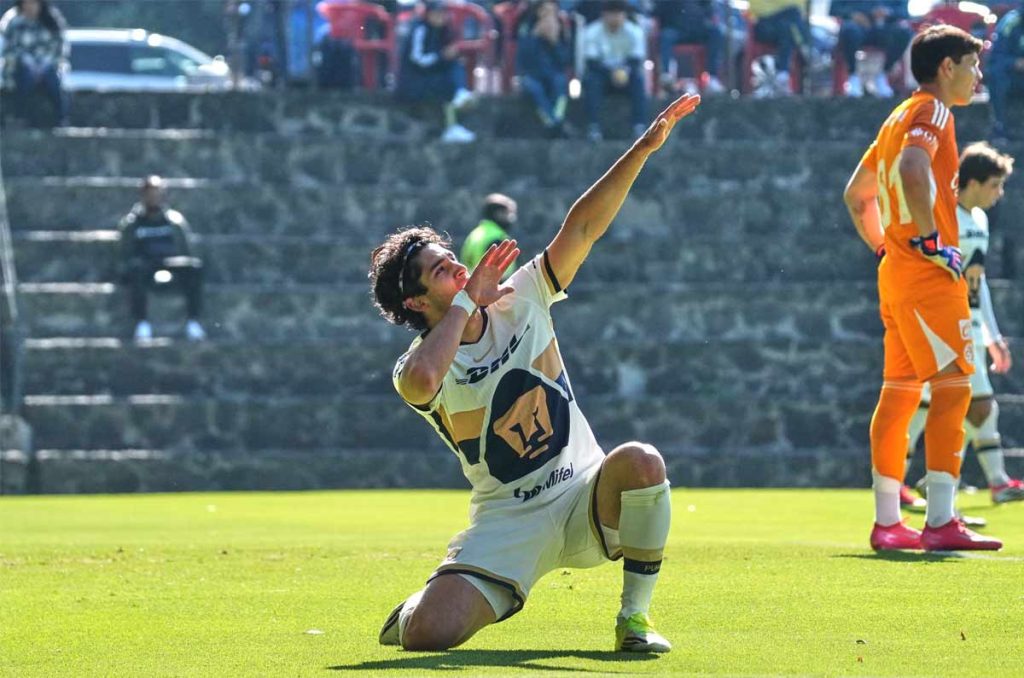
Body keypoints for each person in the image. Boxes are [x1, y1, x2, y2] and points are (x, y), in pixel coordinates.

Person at [368, 93, 701, 652]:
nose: (456, 266)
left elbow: (583, 228)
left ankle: (634, 620)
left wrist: (642, 150)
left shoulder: (519, 297)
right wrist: (466, 304)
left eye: (449, 257)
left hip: (584, 493)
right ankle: (415, 609)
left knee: (642, 461)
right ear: (418, 303)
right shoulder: (418, 364)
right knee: (426, 638)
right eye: (440, 271)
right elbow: (422, 384)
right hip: (508, 520)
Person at [842, 25, 1002, 551]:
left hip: (896, 274)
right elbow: (913, 168)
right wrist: (930, 242)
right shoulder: (934, 110)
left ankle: (889, 522)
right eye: (972, 65)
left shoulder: (896, 117)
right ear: (947, 67)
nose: (978, 75)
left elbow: (857, 195)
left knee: (900, 393)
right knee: (954, 388)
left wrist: (885, 247)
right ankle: (939, 520)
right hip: (928, 275)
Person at [902, 143, 1023, 507]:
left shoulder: (979, 220)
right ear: (972, 183)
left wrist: (992, 335)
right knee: (975, 405)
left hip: (969, 325)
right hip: (944, 325)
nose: (999, 193)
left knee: (932, 406)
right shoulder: (943, 217)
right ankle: (968, 483)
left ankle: (911, 481)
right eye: (995, 185)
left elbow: (977, 280)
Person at [118, 176, 206, 342]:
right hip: (145, 264)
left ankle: (193, 322)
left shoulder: (174, 221)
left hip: (171, 262)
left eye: (157, 193)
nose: (154, 197)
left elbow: (186, 249)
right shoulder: (132, 223)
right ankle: (142, 323)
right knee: (136, 270)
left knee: (194, 269)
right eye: (150, 194)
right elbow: (125, 252)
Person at [396, 0, 477, 144]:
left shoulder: (444, 31)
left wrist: (447, 56)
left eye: (442, 14)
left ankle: (460, 96)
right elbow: (418, 60)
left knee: (455, 67)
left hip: (431, 74)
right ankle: (451, 125)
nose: (439, 17)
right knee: (446, 85)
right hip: (414, 80)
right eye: (436, 14)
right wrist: (441, 57)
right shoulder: (419, 29)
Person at [580, 0, 648, 141]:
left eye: (618, 14)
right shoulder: (592, 32)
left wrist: (623, 71)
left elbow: (636, 59)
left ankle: (639, 125)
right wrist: (611, 73)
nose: (615, 18)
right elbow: (592, 61)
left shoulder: (634, 32)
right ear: (604, 15)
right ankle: (593, 126)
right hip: (602, 75)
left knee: (639, 80)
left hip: (626, 74)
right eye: (611, 14)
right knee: (591, 80)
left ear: (624, 15)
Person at [0, 0, 68, 126]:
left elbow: (59, 49)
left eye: (33, 3)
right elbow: (8, 50)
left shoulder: (52, 20)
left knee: (54, 83)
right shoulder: (13, 21)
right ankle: (18, 117)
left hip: (47, 66)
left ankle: (60, 119)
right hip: (19, 67)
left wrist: (43, 64)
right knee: (24, 80)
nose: (30, 7)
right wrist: (26, 61)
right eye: (26, 3)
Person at [830, 0, 912, 98]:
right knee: (849, 31)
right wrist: (852, 15)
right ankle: (852, 76)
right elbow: (834, 9)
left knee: (903, 33)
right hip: (857, 27)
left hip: (885, 27)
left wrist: (888, 13)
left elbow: (904, 11)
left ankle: (883, 74)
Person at [515, 0, 572, 137]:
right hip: (531, 74)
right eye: (545, 11)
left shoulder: (561, 29)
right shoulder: (527, 27)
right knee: (534, 88)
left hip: (554, 73)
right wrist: (535, 36)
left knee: (560, 83)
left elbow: (565, 60)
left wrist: (554, 42)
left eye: (552, 11)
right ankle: (553, 122)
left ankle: (557, 118)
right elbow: (523, 58)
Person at [653, 0, 725, 95]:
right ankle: (667, 75)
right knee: (666, 36)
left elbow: (710, 10)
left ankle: (712, 78)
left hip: (697, 30)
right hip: (675, 30)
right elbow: (657, 14)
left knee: (716, 33)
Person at [747, 0, 811, 96]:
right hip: (763, 25)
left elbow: (800, 6)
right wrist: (780, 10)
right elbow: (757, 9)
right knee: (790, 19)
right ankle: (803, 47)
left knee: (787, 27)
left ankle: (783, 74)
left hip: (784, 25)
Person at [986, 2, 1024, 141]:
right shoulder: (1011, 23)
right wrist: (1015, 62)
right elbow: (996, 57)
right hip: (1013, 75)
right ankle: (1000, 127)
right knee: (997, 75)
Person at [461, 193, 519, 279]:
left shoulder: (473, 235)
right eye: (508, 214)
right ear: (498, 214)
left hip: (469, 284)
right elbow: (499, 275)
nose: (511, 218)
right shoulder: (498, 238)